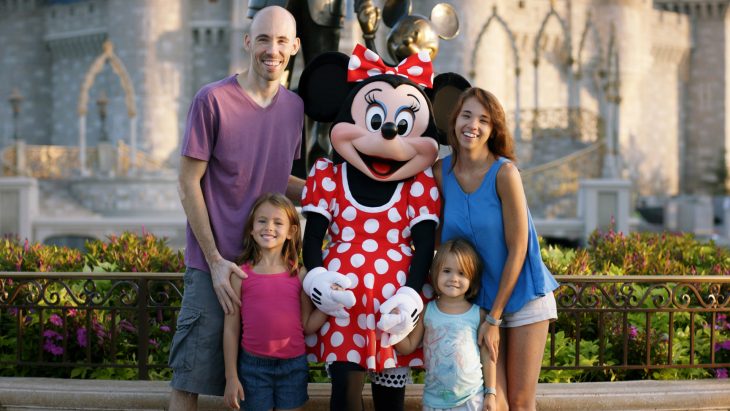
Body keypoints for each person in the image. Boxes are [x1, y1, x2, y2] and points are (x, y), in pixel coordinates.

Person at [169, 6, 305, 410]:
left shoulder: (295, 109)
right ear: (248, 41)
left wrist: (339, 192)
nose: (272, 49)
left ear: (295, 47)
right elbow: (187, 180)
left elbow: (279, 182)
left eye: (282, 41)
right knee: (188, 383)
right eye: (264, 38)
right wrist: (213, 261)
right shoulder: (212, 100)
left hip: (267, 272)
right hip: (218, 269)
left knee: (254, 391)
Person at [434, 88, 559, 411]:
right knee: (494, 401)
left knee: (519, 402)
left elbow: (519, 248)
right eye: (466, 115)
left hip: (523, 297)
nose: (472, 125)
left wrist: (495, 318)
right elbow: (435, 238)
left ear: (493, 130)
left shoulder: (505, 173)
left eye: (483, 120)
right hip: (481, 302)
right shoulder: (440, 173)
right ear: (454, 120)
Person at [222, 193, 329, 411]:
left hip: (293, 366)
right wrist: (231, 377)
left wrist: (331, 305)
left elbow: (306, 325)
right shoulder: (240, 276)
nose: (268, 227)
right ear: (251, 228)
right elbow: (231, 330)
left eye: (278, 222)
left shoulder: (300, 275)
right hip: (252, 368)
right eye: (262, 221)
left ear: (291, 231)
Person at [396, 239, 497, 411]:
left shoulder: (478, 314)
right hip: (434, 402)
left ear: (472, 278)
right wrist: (395, 328)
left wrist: (491, 393)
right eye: (447, 271)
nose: (453, 279)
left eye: (462, 273)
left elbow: (488, 356)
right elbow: (408, 347)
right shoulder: (426, 311)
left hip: (472, 399)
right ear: (435, 273)